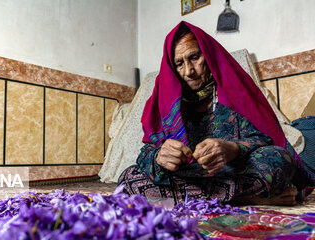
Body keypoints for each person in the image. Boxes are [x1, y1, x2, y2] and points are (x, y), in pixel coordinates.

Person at [118, 21, 313, 206]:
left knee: (279, 158)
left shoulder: (232, 92)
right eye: (179, 63)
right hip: (189, 175)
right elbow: (146, 152)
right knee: (129, 177)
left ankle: (203, 197)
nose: (189, 71)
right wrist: (159, 157)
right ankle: (248, 199)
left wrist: (233, 149)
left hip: (230, 172)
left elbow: (263, 139)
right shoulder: (167, 103)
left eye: (194, 57)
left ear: (208, 56)